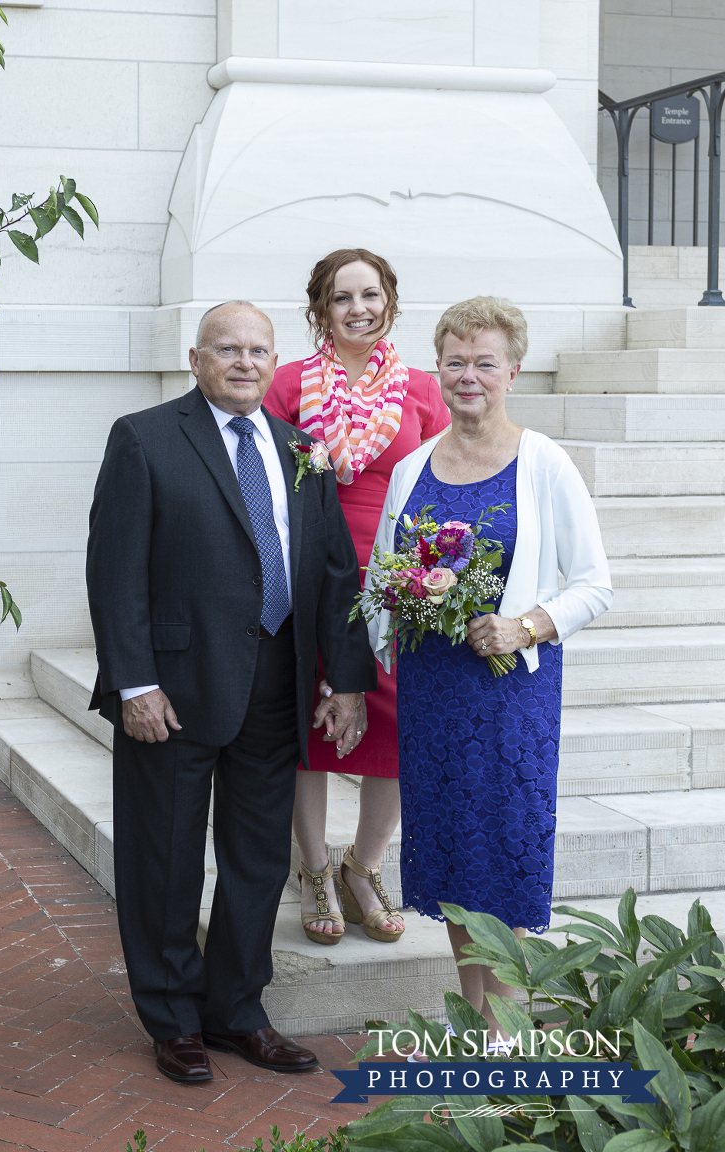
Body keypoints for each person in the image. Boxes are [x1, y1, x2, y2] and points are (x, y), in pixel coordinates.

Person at [86, 301, 377, 1084]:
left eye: (258, 350)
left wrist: (345, 678)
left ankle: (237, 1012)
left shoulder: (301, 449)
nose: (245, 362)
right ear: (196, 359)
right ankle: (173, 1017)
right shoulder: (144, 439)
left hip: (274, 689)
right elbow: (114, 573)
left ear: (274, 361)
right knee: (166, 858)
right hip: (172, 695)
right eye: (228, 349)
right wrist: (133, 682)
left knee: (255, 861)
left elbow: (333, 570)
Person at [366, 296, 612, 1041]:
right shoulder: (412, 468)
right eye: (455, 361)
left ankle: (506, 1036)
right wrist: (397, 613)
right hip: (434, 695)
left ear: (512, 369)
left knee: (501, 853)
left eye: (484, 362)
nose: (468, 376)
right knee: (451, 856)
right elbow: (381, 576)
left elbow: (594, 584)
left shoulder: (545, 463)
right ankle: (479, 1025)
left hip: (511, 697)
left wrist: (524, 626)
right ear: (437, 369)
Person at [265, 249, 451, 946]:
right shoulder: (286, 386)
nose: (358, 309)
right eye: (342, 298)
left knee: (398, 728)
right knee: (307, 729)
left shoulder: (421, 391)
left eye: (370, 295)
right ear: (321, 310)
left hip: (392, 583)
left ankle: (363, 867)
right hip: (308, 578)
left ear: (390, 302)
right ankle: (313, 868)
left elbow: (439, 486)